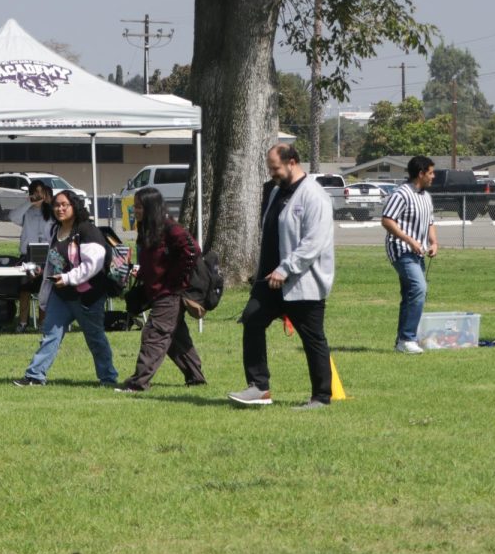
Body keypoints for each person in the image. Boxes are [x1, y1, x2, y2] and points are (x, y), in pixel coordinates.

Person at [230, 145, 335, 410]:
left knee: (313, 338)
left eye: (275, 168)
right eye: (270, 168)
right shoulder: (277, 191)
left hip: (302, 282)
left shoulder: (314, 196)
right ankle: (259, 387)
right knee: (252, 320)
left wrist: (286, 268)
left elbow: (314, 242)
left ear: (292, 162)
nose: (272, 173)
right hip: (269, 281)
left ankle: (321, 397)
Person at [14, 190, 118, 387]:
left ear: (74, 206)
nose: (59, 209)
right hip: (60, 294)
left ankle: (108, 378)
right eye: (56, 205)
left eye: (64, 205)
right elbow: (55, 261)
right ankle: (35, 376)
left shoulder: (87, 230)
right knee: (50, 335)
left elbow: (93, 264)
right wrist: (43, 273)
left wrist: (69, 278)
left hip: (87, 296)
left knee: (95, 338)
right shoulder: (55, 230)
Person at [115, 187, 205, 392]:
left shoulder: (170, 227)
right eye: (135, 206)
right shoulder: (147, 228)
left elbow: (192, 250)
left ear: (150, 207)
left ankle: (139, 382)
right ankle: (196, 377)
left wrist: (174, 279)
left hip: (169, 293)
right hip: (157, 292)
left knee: (154, 334)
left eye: (139, 206)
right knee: (175, 338)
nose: (135, 210)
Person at [380, 156, 439, 354]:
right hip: (401, 249)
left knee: (411, 294)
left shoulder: (426, 196)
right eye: (430, 172)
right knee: (418, 287)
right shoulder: (401, 194)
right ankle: (407, 338)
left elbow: (430, 222)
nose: (433, 176)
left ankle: (402, 341)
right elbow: (387, 220)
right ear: (421, 173)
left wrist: (433, 242)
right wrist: (410, 240)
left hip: (418, 252)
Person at [16, 179, 53, 332]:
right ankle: (23, 322)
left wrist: (48, 204)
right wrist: (29, 203)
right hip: (27, 255)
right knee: (25, 289)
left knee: (44, 291)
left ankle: (43, 322)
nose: (38, 195)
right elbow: (12, 216)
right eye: (35, 192)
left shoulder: (51, 212)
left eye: (40, 192)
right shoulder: (27, 211)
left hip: (46, 256)